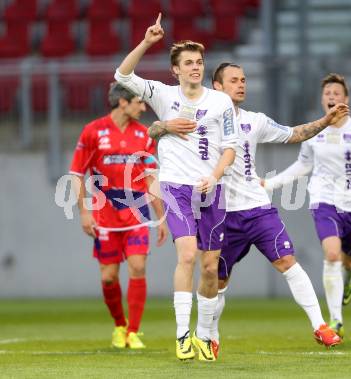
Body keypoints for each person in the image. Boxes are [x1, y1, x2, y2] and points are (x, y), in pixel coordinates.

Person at [159, 62, 349, 355]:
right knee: (216, 279)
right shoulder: (203, 118)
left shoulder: (254, 121)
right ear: (218, 87)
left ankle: (320, 325)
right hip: (221, 212)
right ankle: (208, 334)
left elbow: (293, 133)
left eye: (244, 80)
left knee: (287, 261)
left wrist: (325, 120)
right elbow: (168, 135)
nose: (241, 84)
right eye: (234, 80)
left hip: (257, 208)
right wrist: (159, 127)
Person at [114, 14, 239, 361]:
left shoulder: (220, 101)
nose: (196, 68)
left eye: (199, 62)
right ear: (176, 70)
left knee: (211, 267)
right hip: (176, 187)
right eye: (189, 63)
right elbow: (121, 75)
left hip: (211, 187)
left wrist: (214, 175)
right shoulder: (162, 94)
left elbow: (230, 146)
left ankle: (204, 334)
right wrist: (147, 42)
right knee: (187, 255)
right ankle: (183, 336)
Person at [265, 73, 351, 338]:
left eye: (337, 93)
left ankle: (350, 278)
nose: (332, 96)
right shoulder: (315, 132)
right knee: (332, 254)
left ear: (346, 99)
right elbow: (304, 164)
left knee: (348, 260)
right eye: (327, 93)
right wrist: (273, 183)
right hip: (323, 200)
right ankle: (336, 320)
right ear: (322, 100)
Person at [69, 82, 168, 349]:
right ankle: (120, 326)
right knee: (108, 277)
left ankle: (134, 332)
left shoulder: (144, 136)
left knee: (137, 267)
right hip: (104, 216)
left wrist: (160, 217)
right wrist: (84, 212)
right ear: (123, 103)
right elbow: (77, 174)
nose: (143, 107)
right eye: (139, 102)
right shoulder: (93, 132)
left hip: (136, 214)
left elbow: (150, 178)